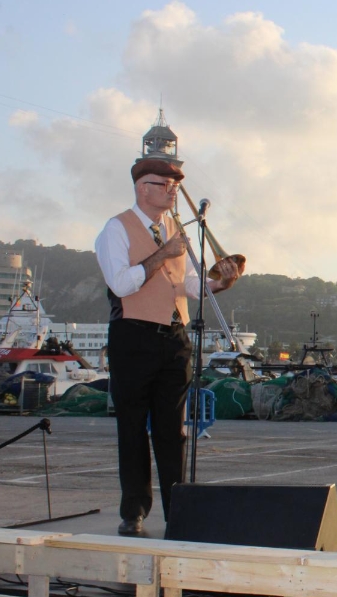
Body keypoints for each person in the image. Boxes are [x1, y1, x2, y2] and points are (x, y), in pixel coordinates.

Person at [95, 159, 241, 535]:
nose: (173, 191)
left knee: (172, 430)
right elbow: (121, 284)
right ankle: (134, 511)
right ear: (144, 187)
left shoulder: (174, 228)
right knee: (131, 427)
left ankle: (178, 509)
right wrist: (163, 254)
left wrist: (220, 283)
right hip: (133, 335)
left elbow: (190, 284)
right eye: (166, 185)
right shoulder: (116, 229)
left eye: (175, 186)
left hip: (174, 338)